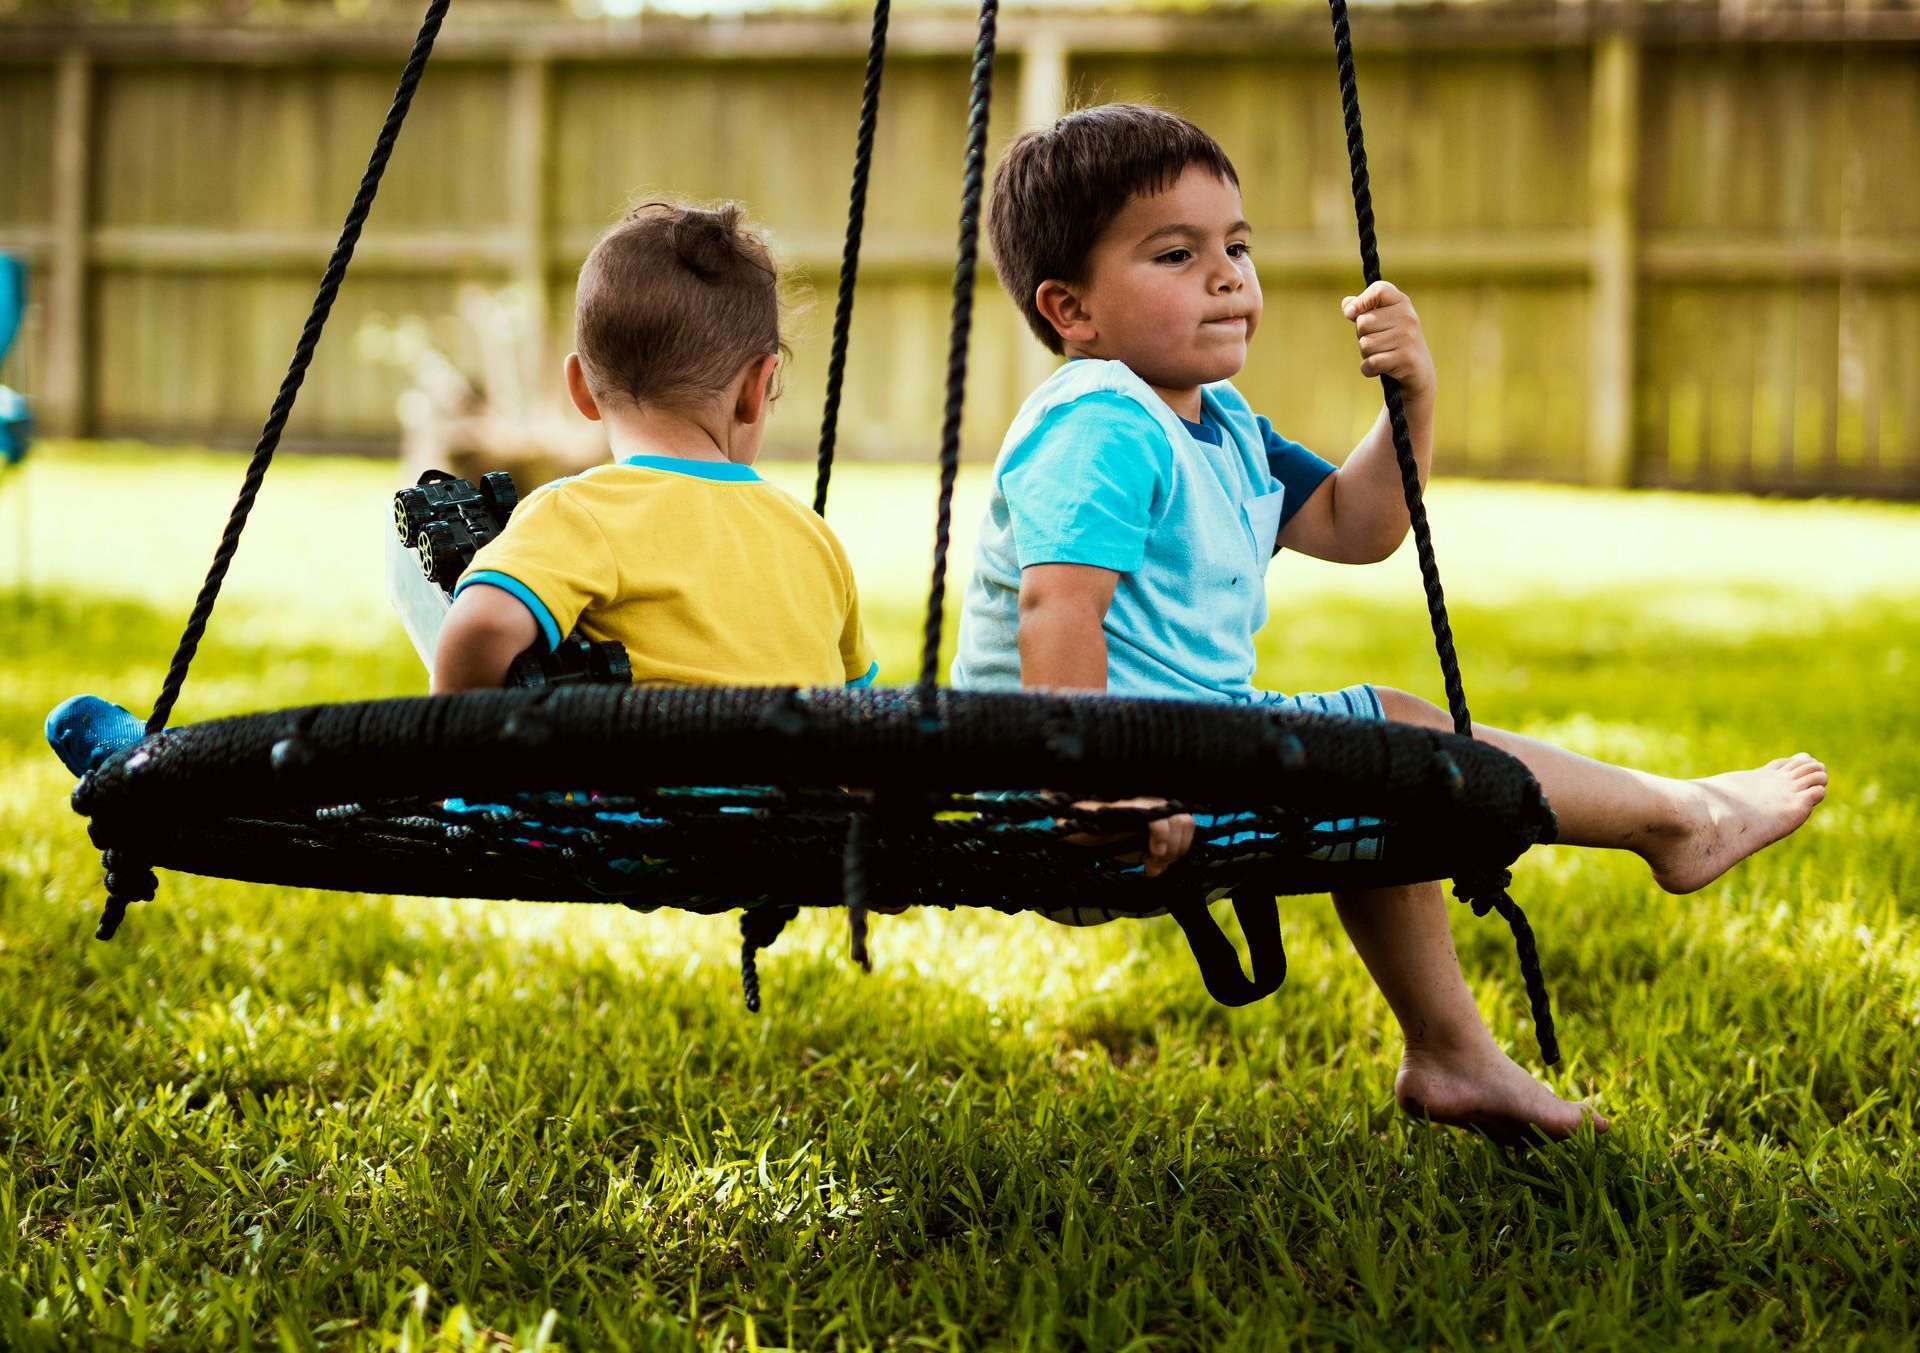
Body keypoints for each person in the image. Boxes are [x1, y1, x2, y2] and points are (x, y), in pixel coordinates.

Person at [950, 103, 1828, 1142]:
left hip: (1181, 756)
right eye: (1177, 254)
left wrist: (1411, 394)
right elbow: (1059, 611)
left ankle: (1454, 1061)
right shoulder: (1098, 422)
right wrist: (1095, 792)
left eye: (1237, 245)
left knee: (1386, 770)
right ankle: (1671, 820)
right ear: (1071, 309)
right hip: (1067, 792)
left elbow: (1356, 526)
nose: (1228, 275)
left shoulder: (1221, 426)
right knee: (1394, 736)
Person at [432, 200, 875, 695]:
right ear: (757, 387)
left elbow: (482, 627)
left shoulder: (578, 515)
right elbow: (862, 719)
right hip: (802, 775)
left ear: (579, 387)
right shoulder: (816, 541)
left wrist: (460, 757)